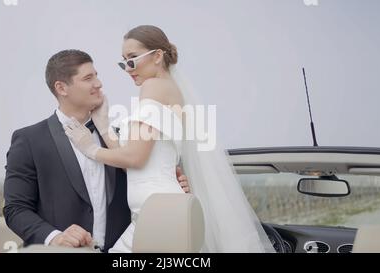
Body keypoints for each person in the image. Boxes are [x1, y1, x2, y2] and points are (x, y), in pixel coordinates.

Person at [64, 25, 275, 252]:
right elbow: (135, 164)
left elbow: (135, 158)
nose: (127, 68)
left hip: (158, 212)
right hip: (153, 211)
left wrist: (89, 148)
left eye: (133, 59)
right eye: (123, 62)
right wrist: (104, 127)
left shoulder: (153, 86)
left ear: (157, 56)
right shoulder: (166, 89)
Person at [3, 49, 190, 252]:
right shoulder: (30, 140)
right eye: (88, 78)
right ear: (61, 88)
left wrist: (173, 183)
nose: (98, 84)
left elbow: (147, 176)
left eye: (97, 76)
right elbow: (16, 209)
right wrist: (56, 238)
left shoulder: (120, 140)